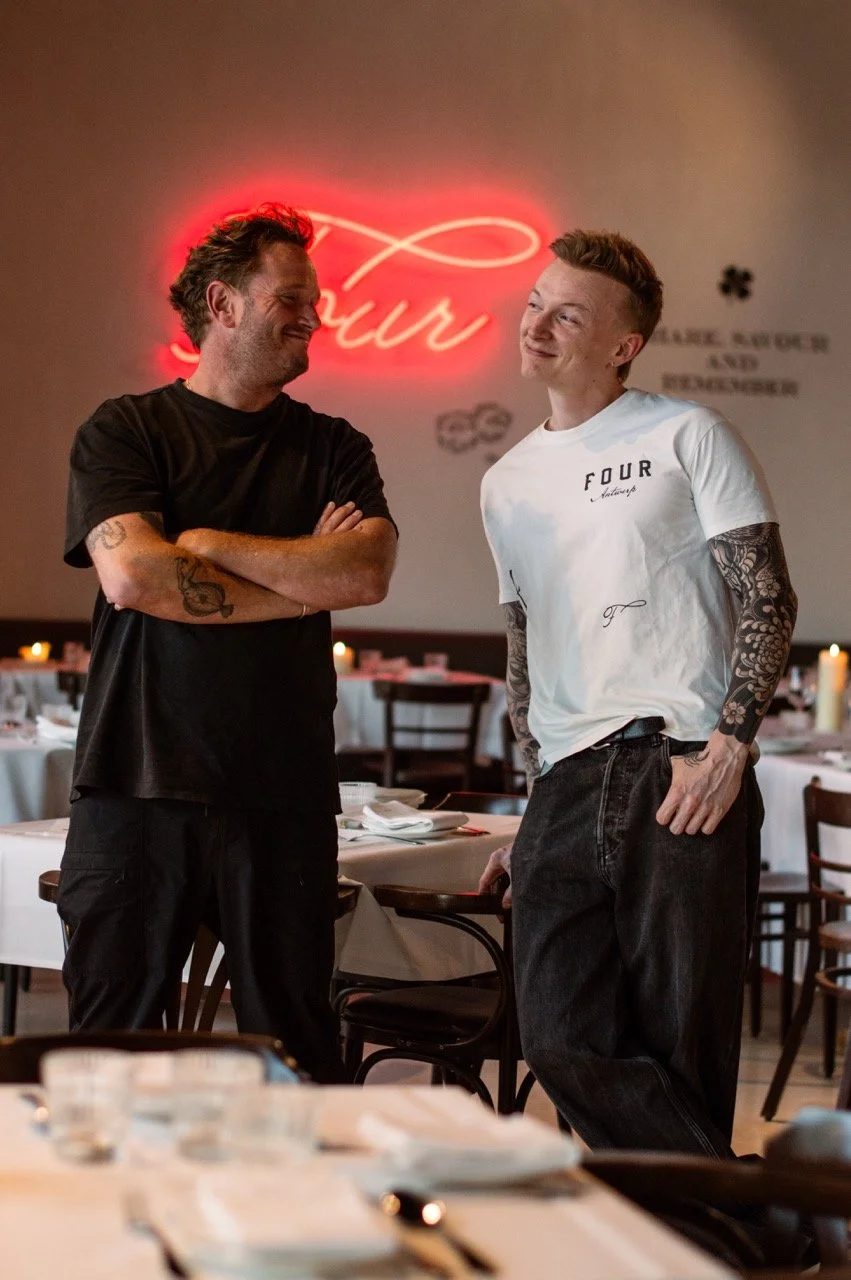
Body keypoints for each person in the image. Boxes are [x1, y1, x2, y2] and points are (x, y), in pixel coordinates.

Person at [60, 203, 397, 1081]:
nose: (312, 314)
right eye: (290, 295)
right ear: (223, 304)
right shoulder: (124, 432)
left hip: (281, 796)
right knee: (106, 1057)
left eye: (314, 298)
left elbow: (363, 574)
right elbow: (133, 577)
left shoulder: (334, 446)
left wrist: (206, 548)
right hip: (136, 784)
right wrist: (294, 590)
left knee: (297, 1060)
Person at [479, 229, 796, 1154]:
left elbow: (766, 596)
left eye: (568, 313)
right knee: (555, 1034)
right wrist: (529, 808)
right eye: (536, 300)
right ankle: (745, 1219)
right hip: (568, 781)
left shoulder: (686, 433)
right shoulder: (504, 482)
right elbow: (524, 646)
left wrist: (729, 747)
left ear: (623, 344)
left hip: (681, 770)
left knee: (681, 1044)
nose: (537, 322)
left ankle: (684, 1241)